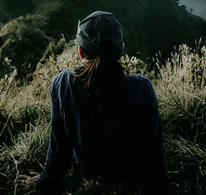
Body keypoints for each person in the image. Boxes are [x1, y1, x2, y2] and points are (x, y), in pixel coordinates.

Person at [36, 11, 168, 194]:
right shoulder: (142, 89)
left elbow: (59, 146)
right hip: (127, 172)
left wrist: (45, 183)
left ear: (80, 51)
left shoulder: (62, 84)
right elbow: (152, 155)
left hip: (88, 166)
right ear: (120, 51)